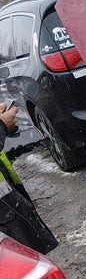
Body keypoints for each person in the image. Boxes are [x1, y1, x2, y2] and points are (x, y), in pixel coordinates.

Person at [0, 102, 58, 254]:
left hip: (11, 214)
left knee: (35, 263)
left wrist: (16, 147)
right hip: (5, 230)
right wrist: (1, 126)